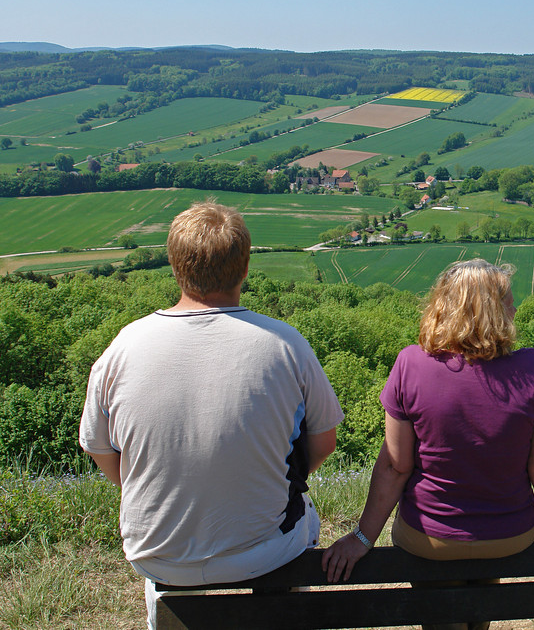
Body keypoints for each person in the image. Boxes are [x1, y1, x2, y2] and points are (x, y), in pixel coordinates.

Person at [79, 201, 343, 629]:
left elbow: (100, 450)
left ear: (174, 266)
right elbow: (324, 441)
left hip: (156, 552)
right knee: (304, 513)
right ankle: (285, 611)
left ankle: (164, 618)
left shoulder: (124, 347)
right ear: (244, 268)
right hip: (264, 551)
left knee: (164, 567)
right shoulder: (285, 344)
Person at [322, 258, 534, 630]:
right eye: (509, 302)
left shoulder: (410, 365)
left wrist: (361, 537)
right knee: (478, 604)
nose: (516, 308)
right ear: (493, 313)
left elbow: (395, 465)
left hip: (429, 536)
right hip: (509, 535)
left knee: (442, 615)